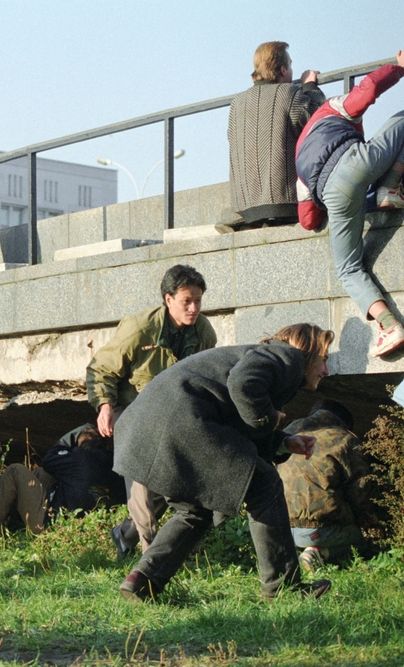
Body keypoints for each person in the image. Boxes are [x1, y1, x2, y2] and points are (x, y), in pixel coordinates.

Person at [114, 323, 334, 603]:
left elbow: (236, 418)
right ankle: (283, 589)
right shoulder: (288, 358)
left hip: (148, 423)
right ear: (309, 352)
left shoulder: (264, 358)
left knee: (194, 511)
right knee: (264, 485)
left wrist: (282, 441)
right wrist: (268, 418)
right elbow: (243, 383)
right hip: (184, 420)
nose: (325, 371)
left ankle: (142, 579)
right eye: (324, 360)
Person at [87, 264, 216, 557]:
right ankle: (152, 559)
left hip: (173, 415)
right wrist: (104, 406)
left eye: (198, 300)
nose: (194, 308)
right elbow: (100, 368)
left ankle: (125, 534)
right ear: (168, 299)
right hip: (131, 411)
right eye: (187, 301)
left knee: (173, 482)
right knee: (142, 482)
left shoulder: (205, 332)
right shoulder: (138, 328)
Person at [295, 52, 404, 357]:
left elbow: (308, 220)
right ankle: (390, 187)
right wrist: (399, 67)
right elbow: (367, 90)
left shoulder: (299, 160)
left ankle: (389, 326)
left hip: (333, 194)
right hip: (358, 161)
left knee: (348, 269)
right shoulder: (331, 109)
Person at [222, 41, 325, 232]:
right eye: (291, 65)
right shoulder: (289, 93)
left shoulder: (237, 102)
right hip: (285, 202)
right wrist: (310, 86)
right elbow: (320, 120)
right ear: (283, 69)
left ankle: (239, 220)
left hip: (245, 205)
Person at [0, 424, 123, 539]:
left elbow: (49, 459)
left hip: (51, 527)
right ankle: (11, 521)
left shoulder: (77, 457)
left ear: (79, 447)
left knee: (15, 471)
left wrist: (81, 430)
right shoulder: (115, 465)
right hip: (91, 527)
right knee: (41, 474)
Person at [277, 400, 373, 571]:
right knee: (363, 541)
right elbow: (360, 491)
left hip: (281, 528)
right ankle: (317, 553)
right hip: (321, 530)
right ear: (347, 424)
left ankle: (298, 551)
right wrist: (370, 522)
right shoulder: (345, 439)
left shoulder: (290, 431)